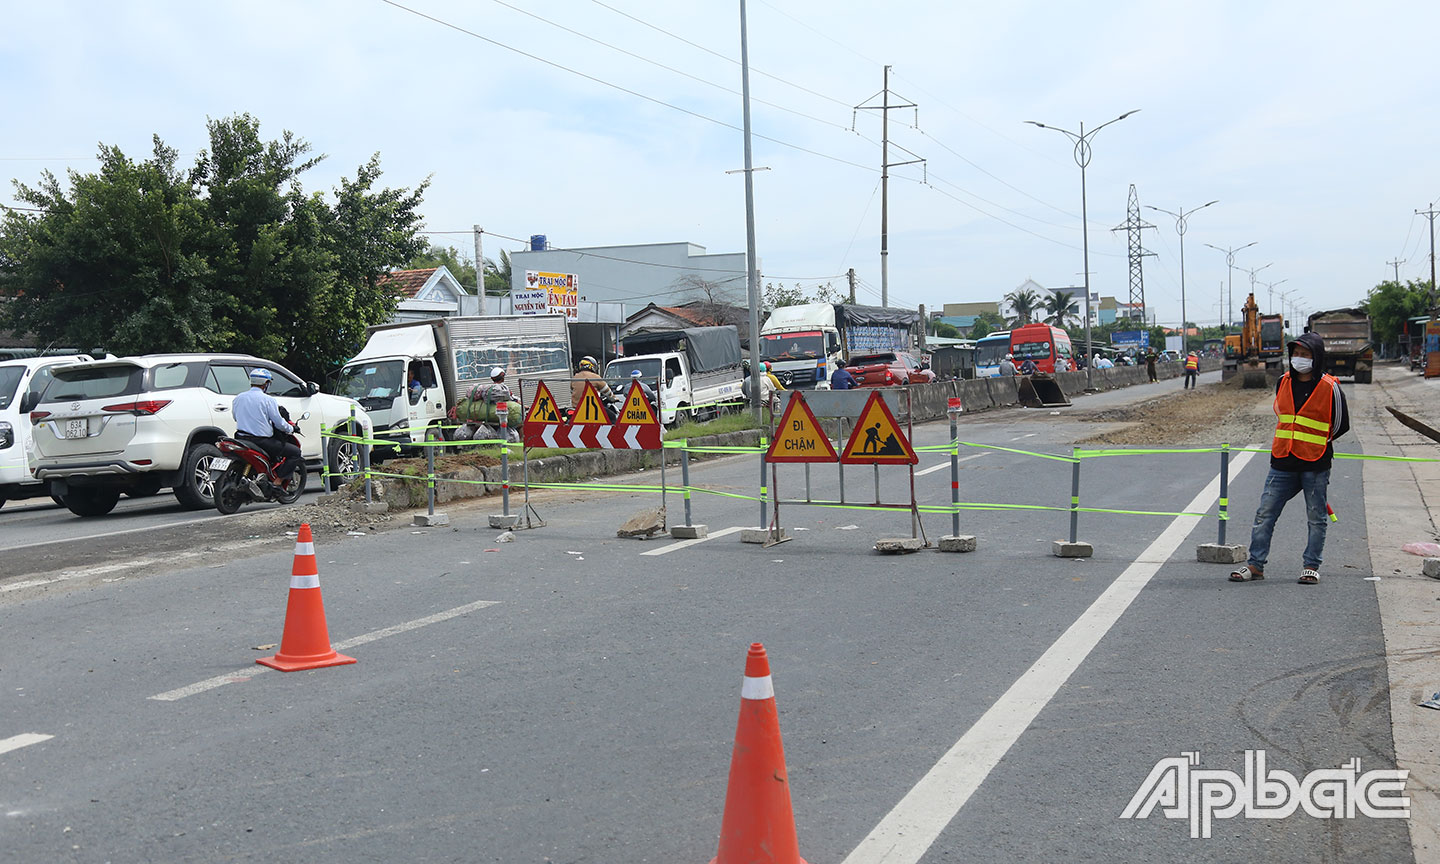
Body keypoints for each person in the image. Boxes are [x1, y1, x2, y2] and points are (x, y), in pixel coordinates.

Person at [1230, 334, 1350, 586]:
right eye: (1297, 354)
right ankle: (1255, 564)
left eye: (1306, 355)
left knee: (1316, 517)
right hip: (1283, 460)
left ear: (1316, 358)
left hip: (1315, 462)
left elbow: (1340, 425)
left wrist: (1315, 441)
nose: (1300, 359)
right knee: (1265, 513)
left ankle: (1311, 566)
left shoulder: (1330, 387)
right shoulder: (1283, 381)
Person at [232, 368, 302, 489]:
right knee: (295, 452)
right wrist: (290, 429)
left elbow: (235, 417)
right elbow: (279, 422)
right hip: (262, 441)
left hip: (241, 438)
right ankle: (278, 482)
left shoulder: (239, 398)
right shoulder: (268, 400)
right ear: (266, 384)